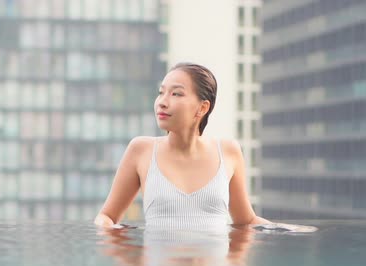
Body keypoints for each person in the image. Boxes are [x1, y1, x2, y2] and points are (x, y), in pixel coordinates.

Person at [93, 62, 315, 232]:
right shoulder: (141, 150)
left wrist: (290, 230)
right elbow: (107, 217)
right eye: (161, 92)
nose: (162, 101)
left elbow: (246, 221)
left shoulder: (228, 151)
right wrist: (124, 257)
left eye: (176, 93)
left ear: (202, 108)